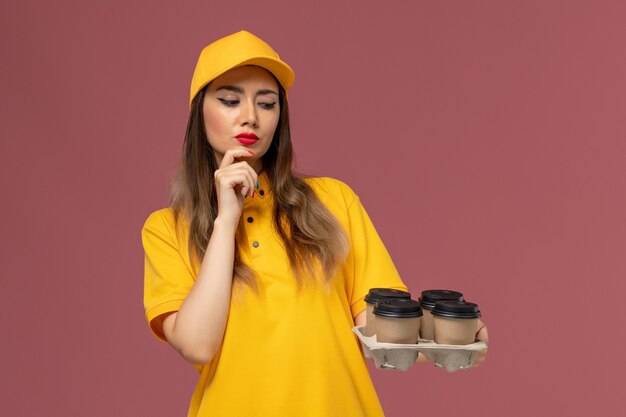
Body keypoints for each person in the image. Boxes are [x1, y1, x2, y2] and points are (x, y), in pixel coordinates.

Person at [142, 30, 488, 417]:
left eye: (267, 103)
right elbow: (198, 345)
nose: (250, 117)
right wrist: (226, 221)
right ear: (199, 112)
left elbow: (382, 332)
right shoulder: (167, 228)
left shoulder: (333, 201)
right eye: (229, 99)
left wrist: (453, 336)